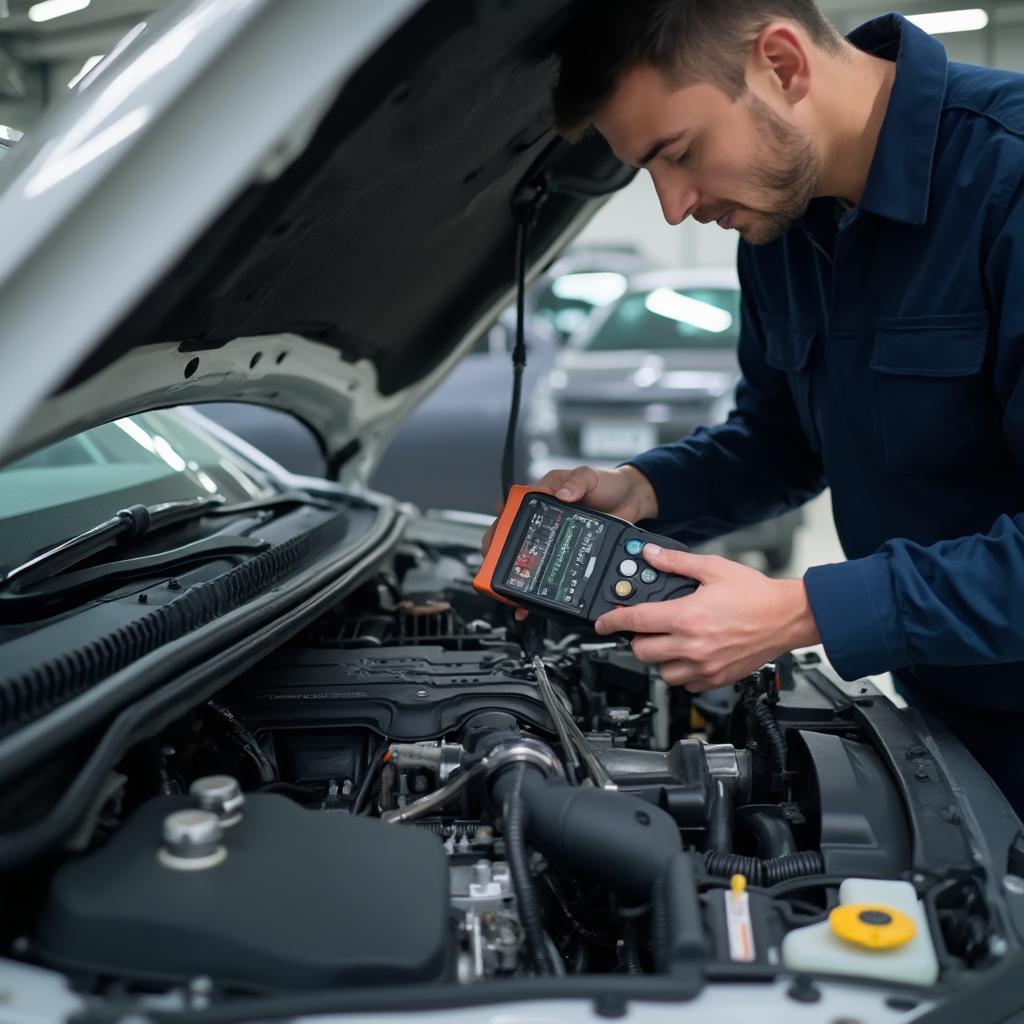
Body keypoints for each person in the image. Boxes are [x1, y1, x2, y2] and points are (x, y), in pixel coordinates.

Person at [488, 0, 1024, 817]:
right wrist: (644, 490)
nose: (674, 206)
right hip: (947, 725)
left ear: (781, 63)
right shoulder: (780, 227)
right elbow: (780, 440)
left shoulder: (1009, 181)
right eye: (649, 175)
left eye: (679, 153)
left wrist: (798, 610)